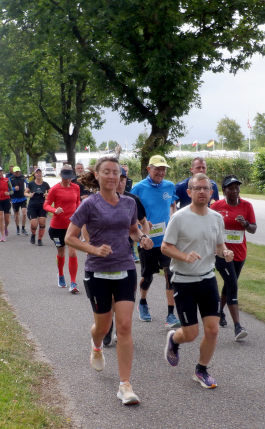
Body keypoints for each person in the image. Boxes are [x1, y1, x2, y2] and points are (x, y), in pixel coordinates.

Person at [65, 156, 154, 405]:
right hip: (97, 272)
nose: (113, 177)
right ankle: (95, 345)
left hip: (125, 268)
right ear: (98, 175)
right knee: (102, 328)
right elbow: (70, 237)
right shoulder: (89, 204)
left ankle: (125, 385)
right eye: (107, 172)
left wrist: (142, 238)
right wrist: (94, 250)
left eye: (117, 173)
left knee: (124, 326)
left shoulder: (129, 203)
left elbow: (133, 229)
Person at [161, 173, 234, 389]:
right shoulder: (180, 218)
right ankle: (175, 339)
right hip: (183, 281)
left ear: (211, 193)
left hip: (207, 279)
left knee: (212, 329)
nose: (202, 191)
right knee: (191, 333)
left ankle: (201, 370)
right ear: (189, 191)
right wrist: (184, 256)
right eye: (197, 188)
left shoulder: (216, 218)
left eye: (206, 188)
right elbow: (165, 247)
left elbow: (220, 247)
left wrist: (226, 252)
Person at [130, 155, 180, 328]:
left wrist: (173, 218)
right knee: (148, 276)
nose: (161, 172)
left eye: (163, 169)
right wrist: (141, 225)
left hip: (167, 241)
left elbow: (172, 206)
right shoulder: (138, 188)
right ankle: (142, 302)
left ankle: (171, 315)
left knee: (170, 276)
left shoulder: (169, 186)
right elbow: (129, 213)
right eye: (157, 169)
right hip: (147, 241)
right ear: (148, 169)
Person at [103, 166, 151, 347]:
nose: (121, 182)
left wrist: (144, 239)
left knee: (125, 297)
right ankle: (107, 326)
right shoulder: (101, 201)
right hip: (105, 258)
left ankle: (119, 329)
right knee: (111, 299)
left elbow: (144, 223)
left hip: (126, 255)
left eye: (124, 179)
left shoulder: (132, 200)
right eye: (118, 178)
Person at [210, 175, 257, 340]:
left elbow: (253, 229)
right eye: (231, 188)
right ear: (224, 190)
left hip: (240, 253)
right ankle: (237, 326)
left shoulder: (246, 206)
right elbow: (208, 225)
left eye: (237, 187)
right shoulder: (216, 206)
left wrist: (245, 223)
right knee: (232, 284)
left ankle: (218, 312)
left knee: (229, 285)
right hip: (221, 253)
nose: (235, 190)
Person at [44, 164, 81, 292]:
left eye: (69, 177)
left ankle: (73, 282)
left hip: (72, 226)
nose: (67, 180)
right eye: (65, 177)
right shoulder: (55, 189)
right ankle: (60, 275)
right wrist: (55, 210)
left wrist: (78, 211)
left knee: (73, 252)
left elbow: (77, 203)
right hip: (57, 227)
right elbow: (46, 205)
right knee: (61, 253)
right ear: (61, 176)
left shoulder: (76, 188)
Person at [25, 168, 51, 246]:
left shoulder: (45, 184)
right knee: (34, 224)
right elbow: (25, 192)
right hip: (32, 205)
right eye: (37, 173)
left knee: (42, 222)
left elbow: (51, 193)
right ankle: (33, 235)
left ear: (41, 174)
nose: (38, 174)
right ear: (35, 175)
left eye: (40, 173)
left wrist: (47, 194)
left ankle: (40, 239)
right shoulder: (31, 183)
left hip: (42, 205)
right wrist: (29, 195)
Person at [10, 166, 29, 236]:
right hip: (15, 199)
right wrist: (14, 188)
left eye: (18, 171)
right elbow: (8, 188)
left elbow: (27, 183)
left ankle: (23, 228)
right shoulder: (11, 179)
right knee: (16, 215)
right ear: (14, 172)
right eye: (16, 172)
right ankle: (17, 228)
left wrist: (27, 188)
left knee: (24, 213)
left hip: (22, 198)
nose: (18, 173)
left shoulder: (22, 177)